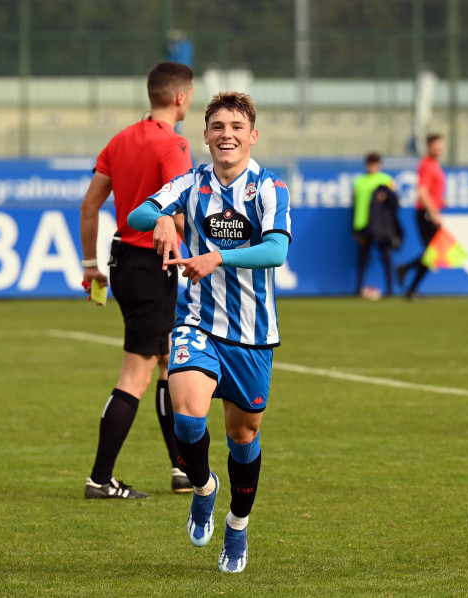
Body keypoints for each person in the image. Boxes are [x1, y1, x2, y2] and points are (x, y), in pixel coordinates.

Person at [127, 92, 291, 573]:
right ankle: (203, 487)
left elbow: (276, 251)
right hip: (196, 321)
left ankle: (237, 525)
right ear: (205, 135)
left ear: (252, 136)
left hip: (253, 334)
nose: (227, 134)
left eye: (237, 126)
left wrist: (218, 256)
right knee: (188, 417)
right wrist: (160, 216)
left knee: (243, 435)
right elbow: (137, 215)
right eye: (218, 126)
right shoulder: (190, 182)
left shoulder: (270, 189)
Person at [80, 62, 195, 499]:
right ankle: (100, 479)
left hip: (121, 262)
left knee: (168, 362)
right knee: (137, 374)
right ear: (181, 97)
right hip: (151, 266)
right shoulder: (174, 145)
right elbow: (178, 214)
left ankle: (182, 469)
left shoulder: (120, 140)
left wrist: (91, 265)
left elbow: (91, 206)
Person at [397, 133, 445, 300]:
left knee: (431, 254)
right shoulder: (427, 165)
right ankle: (407, 275)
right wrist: (434, 212)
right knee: (432, 253)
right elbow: (422, 192)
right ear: (429, 146)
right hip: (425, 214)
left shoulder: (434, 165)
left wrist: (440, 203)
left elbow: (431, 192)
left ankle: (410, 285)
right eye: (436, 145)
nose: (439, 148)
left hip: (429, 212)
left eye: (441, 145)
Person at [351, 152, 399, 298]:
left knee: (385, 257)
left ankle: (390, 289)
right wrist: (353, 227)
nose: (372, 167)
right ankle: (358, 289)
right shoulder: (359, 181)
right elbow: (354, 205)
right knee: (362, 258)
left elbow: (395, 203)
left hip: (381, 226)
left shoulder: (386, 180)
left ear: (379, 165)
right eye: (370, 164)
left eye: (375, 164)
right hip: (363, 225)